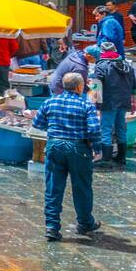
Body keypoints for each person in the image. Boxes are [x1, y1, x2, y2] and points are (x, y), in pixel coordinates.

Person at [33, 73, 102, 241]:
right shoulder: (86, 104)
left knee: (53, 188)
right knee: (82, 187)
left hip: (55, 146)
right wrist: (97, 149)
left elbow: (37, 124)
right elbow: (94, 130)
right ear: (79, 87)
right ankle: (85, 222)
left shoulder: (50, 101)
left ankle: (52, 227)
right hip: (78, 148)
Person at [90, 42, 136, 166]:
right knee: (120, 128)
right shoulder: (127, 65)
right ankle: (121, 157)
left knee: (105, 129)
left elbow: (96, 86)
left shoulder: (101, 66)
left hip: (109, 102)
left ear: (102, 52)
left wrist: (96, 104)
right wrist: (133, 101)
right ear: (115, 51)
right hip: (124, 101)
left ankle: (106, 159)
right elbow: (134, 85)